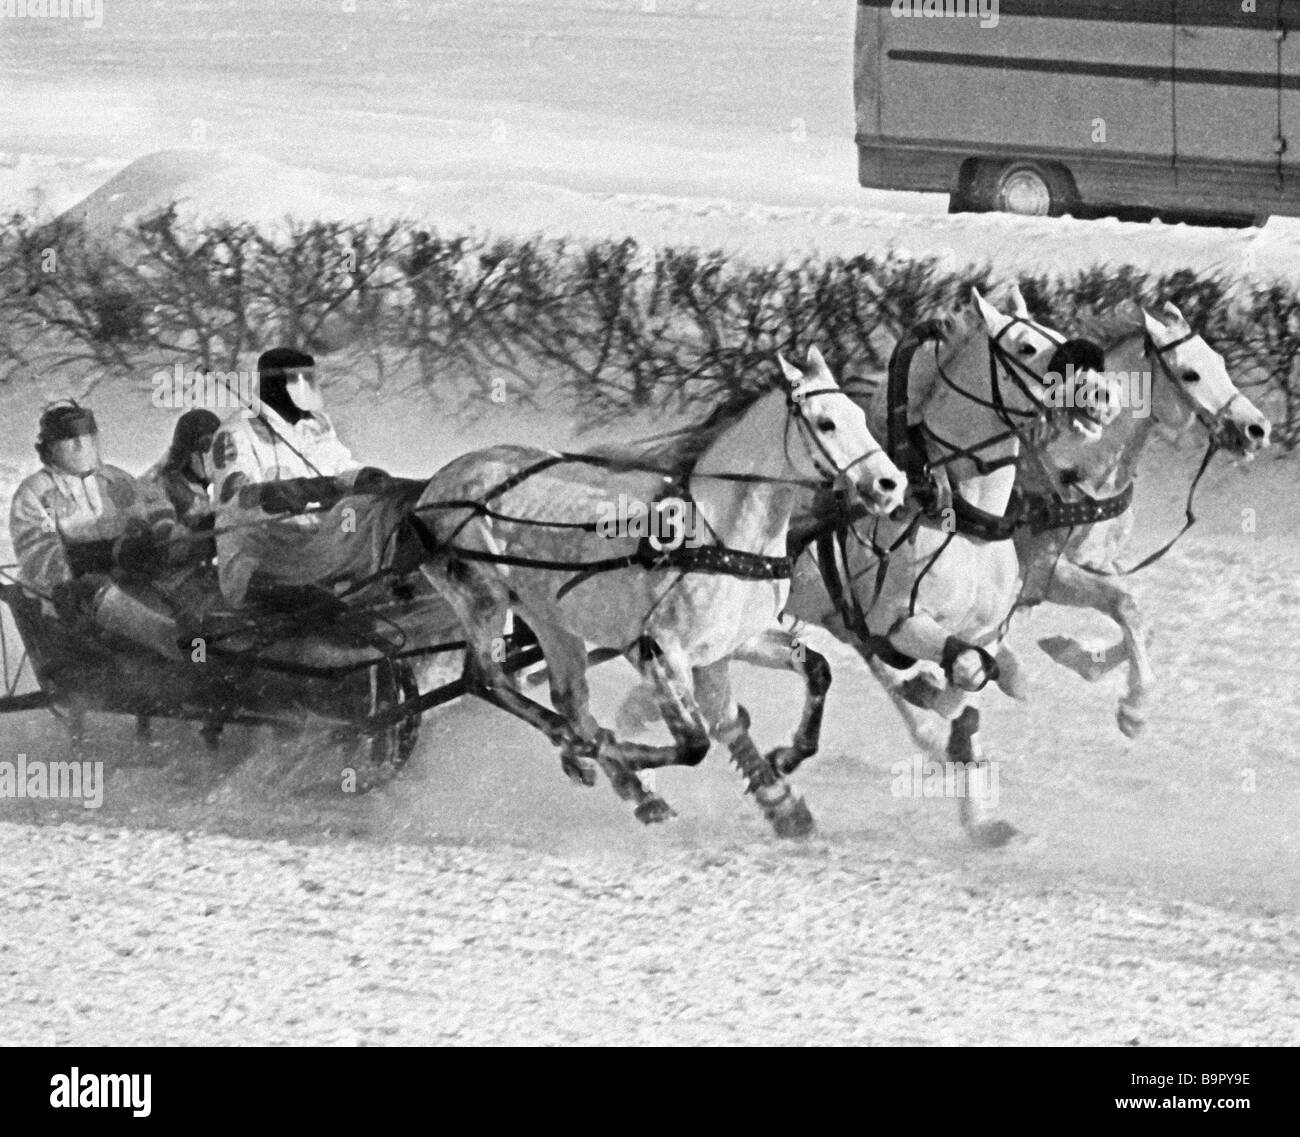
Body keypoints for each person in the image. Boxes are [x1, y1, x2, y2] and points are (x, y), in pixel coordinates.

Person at [210, 347, 423, 610]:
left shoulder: (315, 425)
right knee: (354, 511)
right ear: (276, 385)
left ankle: (403, 574)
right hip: (264, 555)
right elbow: (237, 498)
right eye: (300, 381)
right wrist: (292, 491)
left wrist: (361, 477)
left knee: (374, 507)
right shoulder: (236, 434)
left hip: (314, 544)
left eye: (310, 380)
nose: (309, 389)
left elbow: (339, 465)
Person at [8, 402, 194, 660]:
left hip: (131, 582)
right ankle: (181, 646)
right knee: (95, 590)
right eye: (70, 439)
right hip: (71, 598)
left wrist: (163, 531)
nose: (81, 446)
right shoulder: (42, 495)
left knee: (186, 583)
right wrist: (107, 554)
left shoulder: (116, 480)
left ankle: (211, 644)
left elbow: (153, 508)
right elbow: (42, 555)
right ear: (49, 448)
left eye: (87, 437)